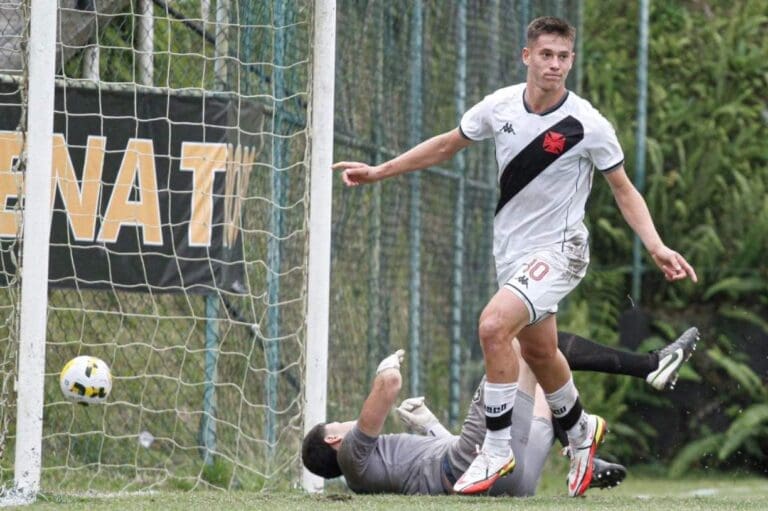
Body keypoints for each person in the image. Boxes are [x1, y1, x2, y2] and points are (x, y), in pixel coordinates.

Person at [332, 16, 697, 496]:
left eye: (564, 57)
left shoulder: (588, 124)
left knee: (492, 326)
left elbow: (623, 190)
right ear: (527, 56)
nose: (555, 65)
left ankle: (496, 450)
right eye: (546, 55)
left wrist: (655, 245)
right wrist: (382, 170)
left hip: (562, 251)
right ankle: (582, 433)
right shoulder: (499, 107)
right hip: (514, 254)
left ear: (571, 60)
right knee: (540, 352)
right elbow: (446, 145)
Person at [302, 327, 699, 496]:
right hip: (472, 466)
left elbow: (430, 465)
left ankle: (583, 457)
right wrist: (385, 366)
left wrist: (431, 425)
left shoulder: (368, 470)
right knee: (524, 339)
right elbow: (387, 387)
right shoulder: (353, 455)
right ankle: (648, 367)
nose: (348, 421)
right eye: (339, 423)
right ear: (335, 438)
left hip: (513, 481)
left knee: (544, 370)